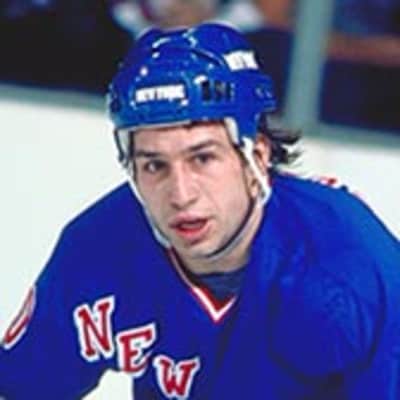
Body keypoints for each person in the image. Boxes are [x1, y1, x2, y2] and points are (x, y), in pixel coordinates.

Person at [1, 22, 400, 400]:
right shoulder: (97, 250)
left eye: (203, 158)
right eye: (154, 165)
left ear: (257, 156)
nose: (180, 194)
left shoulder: (351, 266)